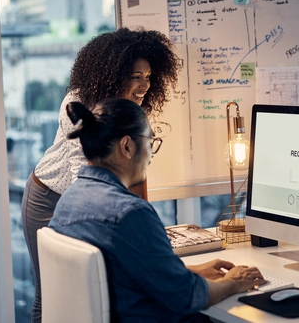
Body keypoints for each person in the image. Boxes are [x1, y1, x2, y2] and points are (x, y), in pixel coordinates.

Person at [48, 98, 267, 322]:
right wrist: (234, 281)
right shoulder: (130, 214)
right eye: (151, 142)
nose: (152, 154)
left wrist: (191, 272)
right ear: (127, 146)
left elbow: (117, 273)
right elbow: (187, 297)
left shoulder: (68, 201)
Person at [21, 28, 180, 322]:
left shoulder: (132, 107)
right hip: (50, 198)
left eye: (148, 76)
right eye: (136, 76)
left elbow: (135, 172)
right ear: (113, 72)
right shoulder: (79, 103)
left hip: (85, 199)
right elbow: (87, 178)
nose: (145, 84)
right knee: (53, 291)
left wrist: (145, 220)